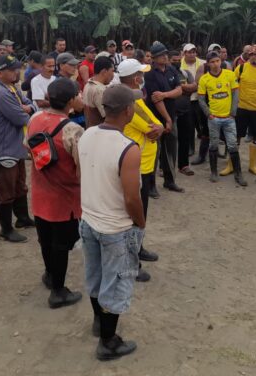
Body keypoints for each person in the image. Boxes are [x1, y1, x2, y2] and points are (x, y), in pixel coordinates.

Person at [79, 84, 145, 361]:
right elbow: (132, 198)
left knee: (95, 276)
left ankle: (99, 322)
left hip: (89, 219)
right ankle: (108, 341)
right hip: (115, 227)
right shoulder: (128, 148)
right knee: (115, 283)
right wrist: (140, 224)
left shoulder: (87, 134)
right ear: (128, 111)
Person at [28, 79, 85, 308]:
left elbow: (28, 147)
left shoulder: (35, 119)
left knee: (45, 238)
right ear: (71, 101)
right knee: (62, 245)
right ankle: (58, 292)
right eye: (78, 95)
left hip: (41, 192)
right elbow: (81, 167)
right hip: (65, 197)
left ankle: (50, 275)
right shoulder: (73, 130)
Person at [118, 59, 161, 276]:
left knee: (141, 212)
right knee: (135, 214)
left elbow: (157, 123)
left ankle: (138, 248)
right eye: (140, 74)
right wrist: (158, 127)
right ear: (135, 78)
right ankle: (131, 263)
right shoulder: (129, 102)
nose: (142, 76)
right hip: (137, 166)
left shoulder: (135, 97)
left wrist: (159, 127)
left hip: (144, 162)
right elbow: (150, 126)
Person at [0, 54, 36, 243]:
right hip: (4, 147)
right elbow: (21, 118)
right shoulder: (0, 93)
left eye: (16, 68)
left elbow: (29, 104)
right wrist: (26, 109)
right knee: (6, 190)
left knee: (19, 185)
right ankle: (6, 229)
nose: (16, 72)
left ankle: (22, 218)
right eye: (11, 69)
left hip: (14, 146)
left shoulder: (11, 87)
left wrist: (28, 107)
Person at [198, 51, 245, 185]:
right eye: (212, 62)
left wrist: (233, 112)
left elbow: (235, 93)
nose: (215, 64)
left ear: (221, 61)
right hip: (214, 118)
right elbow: (201, 99)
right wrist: (209, 114)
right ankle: (213, 172)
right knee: (213, 144)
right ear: (207, 63)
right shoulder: (204, 79)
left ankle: (238, 174)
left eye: (217, 61)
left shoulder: (229, 75)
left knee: (232, 145)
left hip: (229, 118)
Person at [144, 42, 185, 193]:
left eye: (165, 53)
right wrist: (167, 119)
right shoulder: (149, 74)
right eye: (162, 55)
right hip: (155, 119)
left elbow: (179, 90)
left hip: (171, 115)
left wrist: (166, 94)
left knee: (171, 150)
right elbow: (156, 99)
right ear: (154, 58)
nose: (165, 56)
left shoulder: (171, 69)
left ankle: (169, 181)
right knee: (154, 152)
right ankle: (151, 184)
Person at [233, 46, 256, 177]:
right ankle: (231, 165)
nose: (253, 57)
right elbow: (232, 86)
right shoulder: (241, 68)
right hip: (241, 108)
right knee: (236, 137)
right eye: (251, 54)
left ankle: (253, 165)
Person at [170, 50, 197, 176]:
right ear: (169, 60)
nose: (175, 62)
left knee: (184, 139)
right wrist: (184, 89)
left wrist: (180, 88)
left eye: (177, 60)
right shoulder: (166, 74)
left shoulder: (185, 73)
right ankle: (165, 167)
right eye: (173, 60)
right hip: (170, 112)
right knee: (169, 140)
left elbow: (194, 87)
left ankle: (184, 165)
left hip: (186, 110)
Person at [182, 43, 208, 165]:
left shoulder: (203, 63)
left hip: (200, 99)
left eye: (193, 51)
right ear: (184, 53)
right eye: (189, 52)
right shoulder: (180, 64)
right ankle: (191, 148)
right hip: (186, 99)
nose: (192, 54)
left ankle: (204, 151)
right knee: (189, 125)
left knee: (202, 125)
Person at [83, 56, 114, 127]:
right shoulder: (100, 90)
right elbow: (108, 117)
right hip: (100, 131)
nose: (113, 75)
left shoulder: (88, 84)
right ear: (104, 72)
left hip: (90, 130)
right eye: (112, 71)